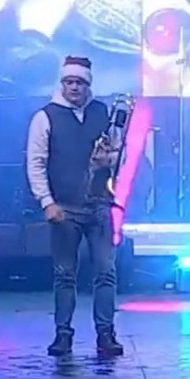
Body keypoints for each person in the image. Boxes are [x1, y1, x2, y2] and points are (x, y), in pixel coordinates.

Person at [27, 56, 124, 358]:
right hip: (65, 209)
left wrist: (109, 160)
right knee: (64, 275)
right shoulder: (46, 116)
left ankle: (106, 334)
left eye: (79, 83)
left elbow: (117, 153)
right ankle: (63, 335)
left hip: (99, 206)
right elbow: (35, 162)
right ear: (62, 84)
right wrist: (47, 202)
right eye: (69, 82)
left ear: (87, 85)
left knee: (106, 273)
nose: (74, 87)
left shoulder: (102, 113)